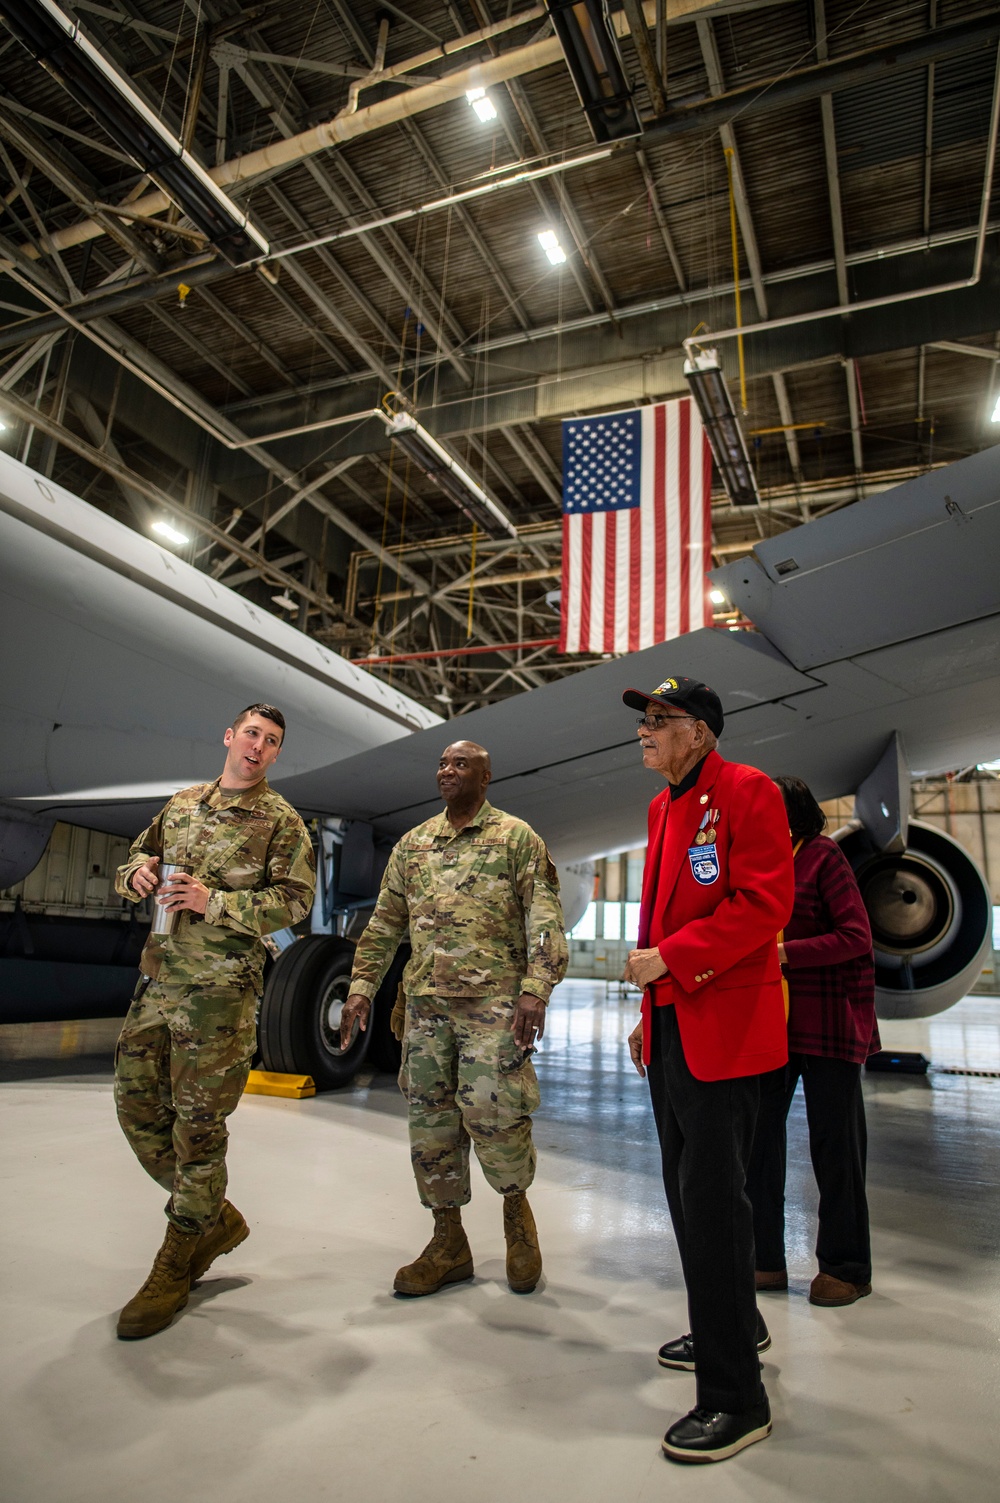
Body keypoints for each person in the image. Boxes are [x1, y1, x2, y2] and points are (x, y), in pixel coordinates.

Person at [622, 675, 794, 1464]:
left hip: (724, 1032)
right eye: (644, 722)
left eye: (659, 721)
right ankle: (728, 1325)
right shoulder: (663, 807)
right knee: (690, 1200)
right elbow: (662, 915)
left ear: (700, 731)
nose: (645, 733)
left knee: (717, 1203)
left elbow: (763, 904)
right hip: (670, 1027)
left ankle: (737, 1399)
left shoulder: (749, 792)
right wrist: (647, 1006)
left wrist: (671, 961)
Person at [113, 703, 315, 1340]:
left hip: (221, 999)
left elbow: (296, 900)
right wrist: (137, 874)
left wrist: (214, 900)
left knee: (199, 1130)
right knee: (135, 1106)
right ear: (229, 737)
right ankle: (213, 1217)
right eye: (251, 733)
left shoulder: (281, 820)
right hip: (158, 982)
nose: (258, 746)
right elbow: (133, 858)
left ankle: (176, 1261)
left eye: (271, 741)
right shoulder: (182, 803)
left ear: (276, 755)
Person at [340, 740, 567, 1298]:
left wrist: (536, 989)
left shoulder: (515, 838)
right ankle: (448, 1243)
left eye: (460, 764)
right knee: (431, 1123)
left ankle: (518, 1221)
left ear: (485, 776)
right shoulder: (415, 845)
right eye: (442, 764)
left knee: (496, 1113)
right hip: (424, 1011)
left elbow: (545, 916)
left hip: (495, 1008)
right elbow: (385, 923)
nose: (447, 771)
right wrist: (362, 988)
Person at [746, 775, 879, 1307]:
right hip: (769, 1026)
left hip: (828, 1025)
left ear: (792, 813)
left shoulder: (824, 857)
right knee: (757, 1145)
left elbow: (855, 936)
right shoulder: (757, 862)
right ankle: (763, 1261)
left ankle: (847, 1267)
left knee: (836, 1148)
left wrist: (784, 954)